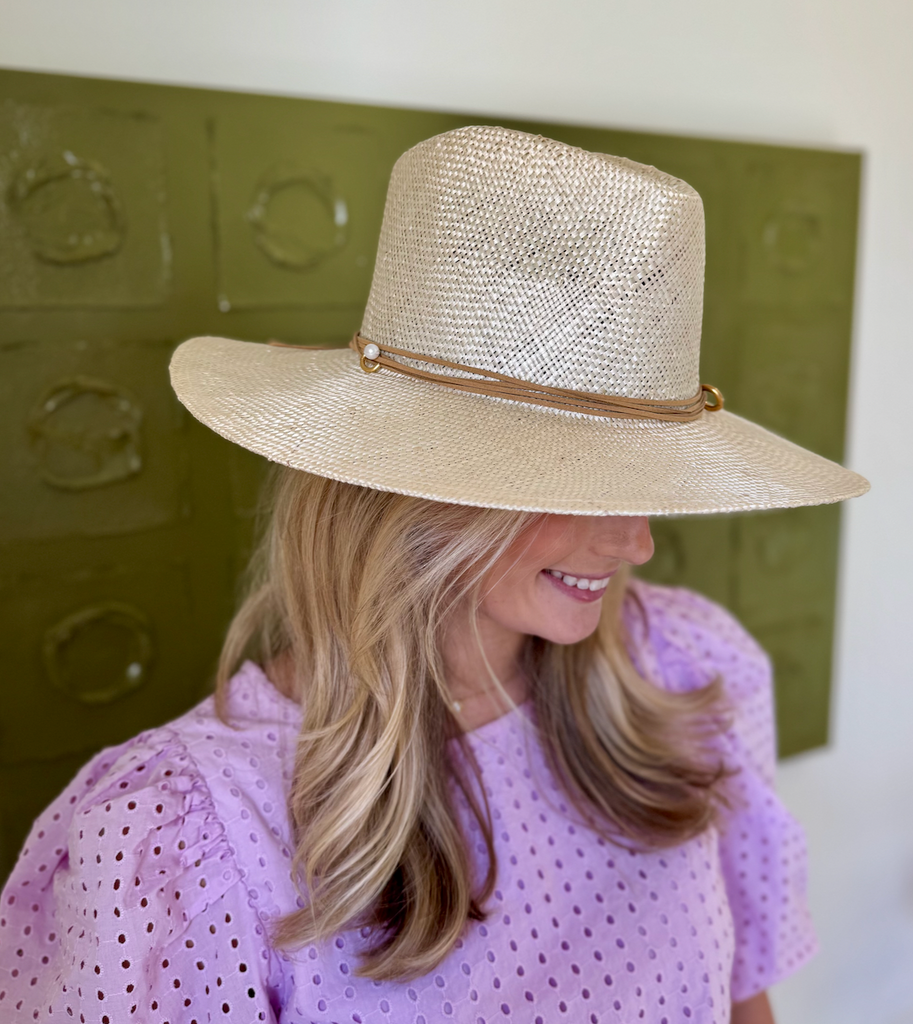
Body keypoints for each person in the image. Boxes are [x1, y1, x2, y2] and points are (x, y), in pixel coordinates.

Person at [0, 126, 868, 1024]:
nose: (636, 542)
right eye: (583, 481)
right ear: (406, 490)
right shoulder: (185, 840)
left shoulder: (685, 672)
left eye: (648, 480)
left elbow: (741, 1003)